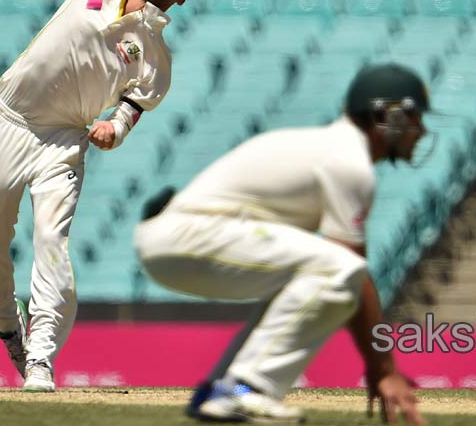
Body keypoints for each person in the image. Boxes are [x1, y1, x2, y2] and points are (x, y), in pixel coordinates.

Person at [0, 0, 194, 392]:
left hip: (65, 141)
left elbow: (131, 110)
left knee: (52, 241)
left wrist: (111, 131)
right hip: (13, 120)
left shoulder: (156, 59)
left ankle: (41, 357)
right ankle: (8, 328)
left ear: (182, 0)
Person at [134, 63, 426, 424]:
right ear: (388, 115)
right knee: (340, 268)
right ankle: (247, 389)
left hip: (175, 240)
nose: (422, 130)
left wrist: (379, 364)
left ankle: (220, 391)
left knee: (309, 277)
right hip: (189, 235)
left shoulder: (330, 146)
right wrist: (383, 368)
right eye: (415, 117)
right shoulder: (349, 161)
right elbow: (355, 272)